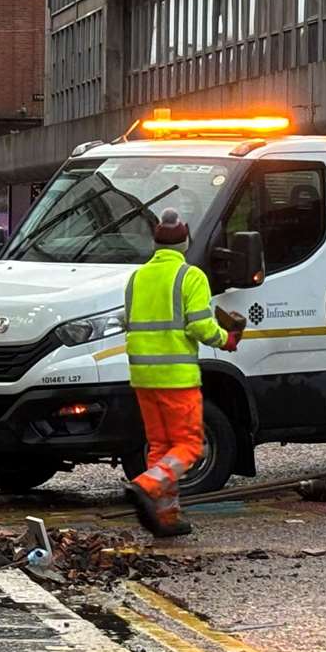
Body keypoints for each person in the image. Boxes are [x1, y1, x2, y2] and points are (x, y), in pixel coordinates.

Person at [123, 209, 244, 537]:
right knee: (190, 445)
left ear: (156, 242)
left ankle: (167, 515)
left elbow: (127, 321)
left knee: (161, 447)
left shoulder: (138, 278)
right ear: (185, 241)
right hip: (176, 378)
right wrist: (226, 339)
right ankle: (147, 486)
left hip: (143, 378)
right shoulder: (190, 276)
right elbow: (201, 326)